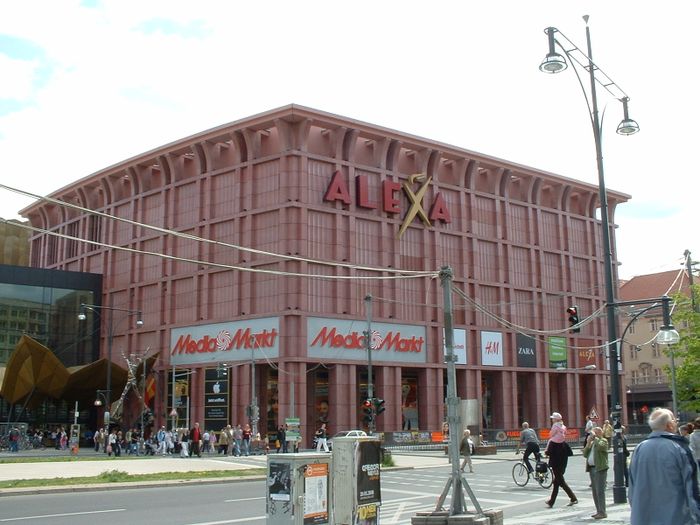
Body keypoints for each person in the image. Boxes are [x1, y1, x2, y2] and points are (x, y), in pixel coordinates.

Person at [629, 408, 700, 525]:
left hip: (643, 517)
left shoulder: (639, 448)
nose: (676, 422)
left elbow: (632, 488)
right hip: (676, 517)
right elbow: (692, 487)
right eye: (675, 420)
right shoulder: (680, 448)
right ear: (669, 425)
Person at [544, 412, 578, 508]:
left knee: (560, 481)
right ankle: (551, 501)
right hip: (563, 461)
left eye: (553, 418)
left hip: (556, 462)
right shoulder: (563, 429)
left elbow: (550, 436)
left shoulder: (553, 439)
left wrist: (546, 452)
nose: (552, 420)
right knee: (556, 482)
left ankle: (573, 498)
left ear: (555, 419)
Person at [582, 426, 609, 520]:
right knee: (594, 492)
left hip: (600, 468)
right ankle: (598, 511)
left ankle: (602, 512)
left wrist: (596, 438)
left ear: (600, 433)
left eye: (595, 432)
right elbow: (585, 454)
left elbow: (602, 447)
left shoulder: (603, 441)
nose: (593, 435)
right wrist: (589, 443)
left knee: (600, 491)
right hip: (592, 469)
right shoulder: (593, 443)